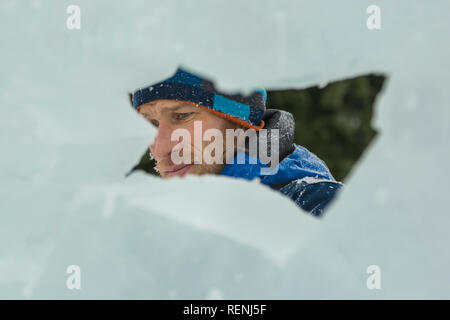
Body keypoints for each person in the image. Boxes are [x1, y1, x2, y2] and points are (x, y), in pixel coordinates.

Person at [131, 67, 343, 217]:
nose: (160, 149)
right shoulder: (158, 226)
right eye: (151, 124)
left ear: (240, 120)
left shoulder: (318, 210)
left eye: (182, 115)